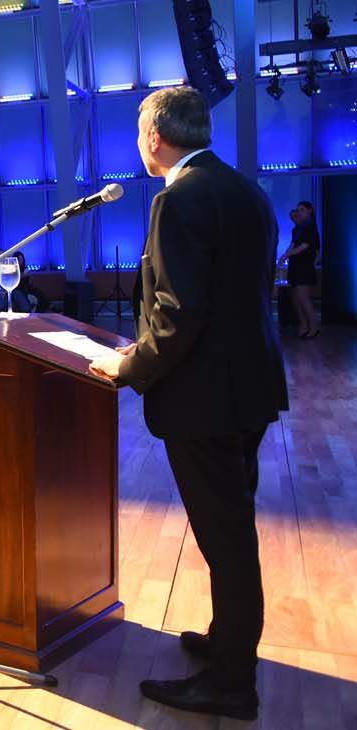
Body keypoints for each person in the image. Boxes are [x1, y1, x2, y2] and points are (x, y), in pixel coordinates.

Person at [88, 87, 288, 722]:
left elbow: (177, 315)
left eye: (138, 132)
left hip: (205, 399)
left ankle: (232, 684)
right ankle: (228, 644)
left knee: (225, 540)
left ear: (154, 136)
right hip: (247, 389)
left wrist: (128, 366)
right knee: (231, 530)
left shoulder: (178, 198)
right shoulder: (245, 191)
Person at [278, 200, 320, 338]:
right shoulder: (297, 229)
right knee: (295, 296)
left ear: (309, 210)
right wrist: (284, 256)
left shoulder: (310, 227)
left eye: (302, 209)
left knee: (303, 296)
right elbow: (294, 244)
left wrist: (288, 254)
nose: (299, 212)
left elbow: (305, 246)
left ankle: (313, 326)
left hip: (304, 266)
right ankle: (304, 324)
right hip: (295, 266)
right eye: (298, 210)